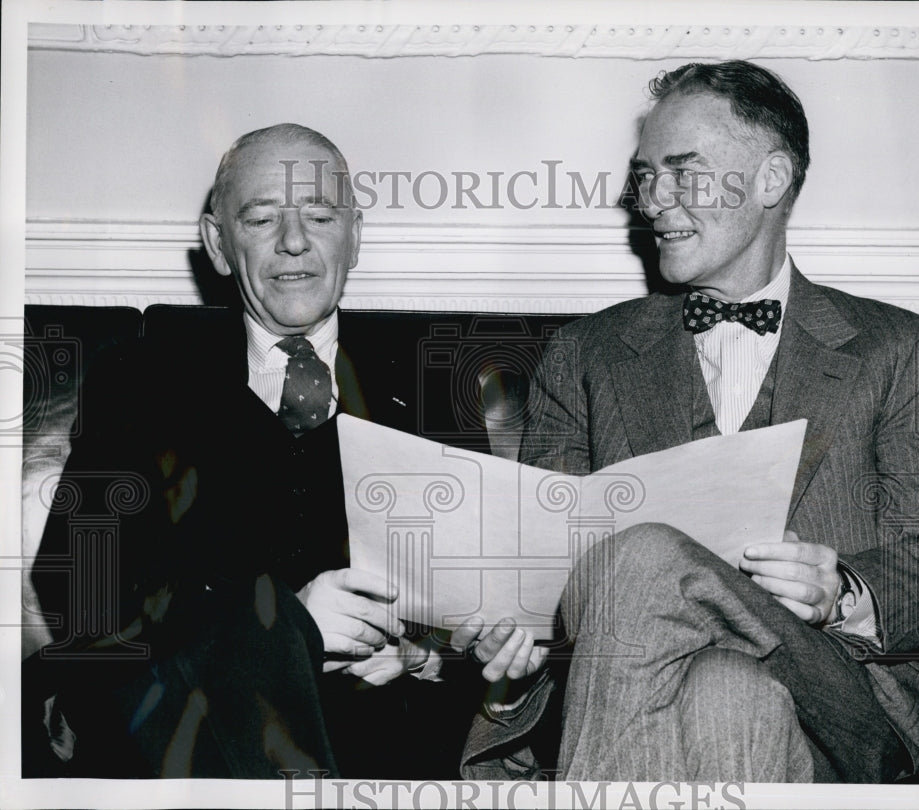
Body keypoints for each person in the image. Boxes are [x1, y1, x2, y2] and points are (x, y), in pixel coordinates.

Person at [461, 61, 919, 783]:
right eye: (646, 176)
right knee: (727, 696)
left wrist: (844, 592)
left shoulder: (898, 348)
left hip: (842, 694)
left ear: (771, 180)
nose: (653, 201)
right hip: (672, 695)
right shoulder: (585, 354)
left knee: (641, 555)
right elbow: (543, 567)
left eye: (683, 172)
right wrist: (516, 630)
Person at [27, 123, 543, 778]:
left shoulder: (432, 382)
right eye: (262, 218)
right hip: (209, 740)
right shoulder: (140, 380)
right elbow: (80, 590)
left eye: (320, 216)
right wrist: (286, 630)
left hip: (390, 744)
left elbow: (478, 603)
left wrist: (436, 654)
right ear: (219, 243)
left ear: (355, 235)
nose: (294, 242)